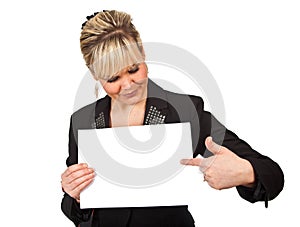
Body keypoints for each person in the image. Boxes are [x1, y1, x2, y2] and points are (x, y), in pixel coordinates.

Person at [61, 10, 284, 227]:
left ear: (142, 53)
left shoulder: (185, 111)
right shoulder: (82, 121)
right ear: (94, 74)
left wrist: (245, 172)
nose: (128, 85)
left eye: (133, 69)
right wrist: (75, 195)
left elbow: (273, 174)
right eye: (113, 78)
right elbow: (75, 209)